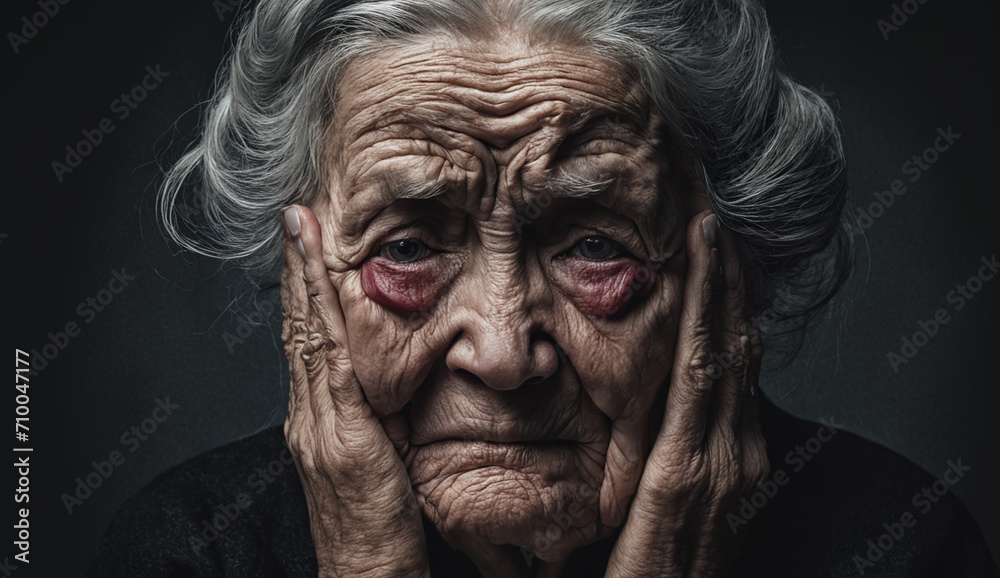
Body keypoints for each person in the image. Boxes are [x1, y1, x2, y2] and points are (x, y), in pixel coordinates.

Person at [90, 0, 998, 576]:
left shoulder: (899, 545)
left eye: (595, 244)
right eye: (406, 247)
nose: (501, 349)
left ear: (724, 272)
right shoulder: (190, 551)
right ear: (307, 276)